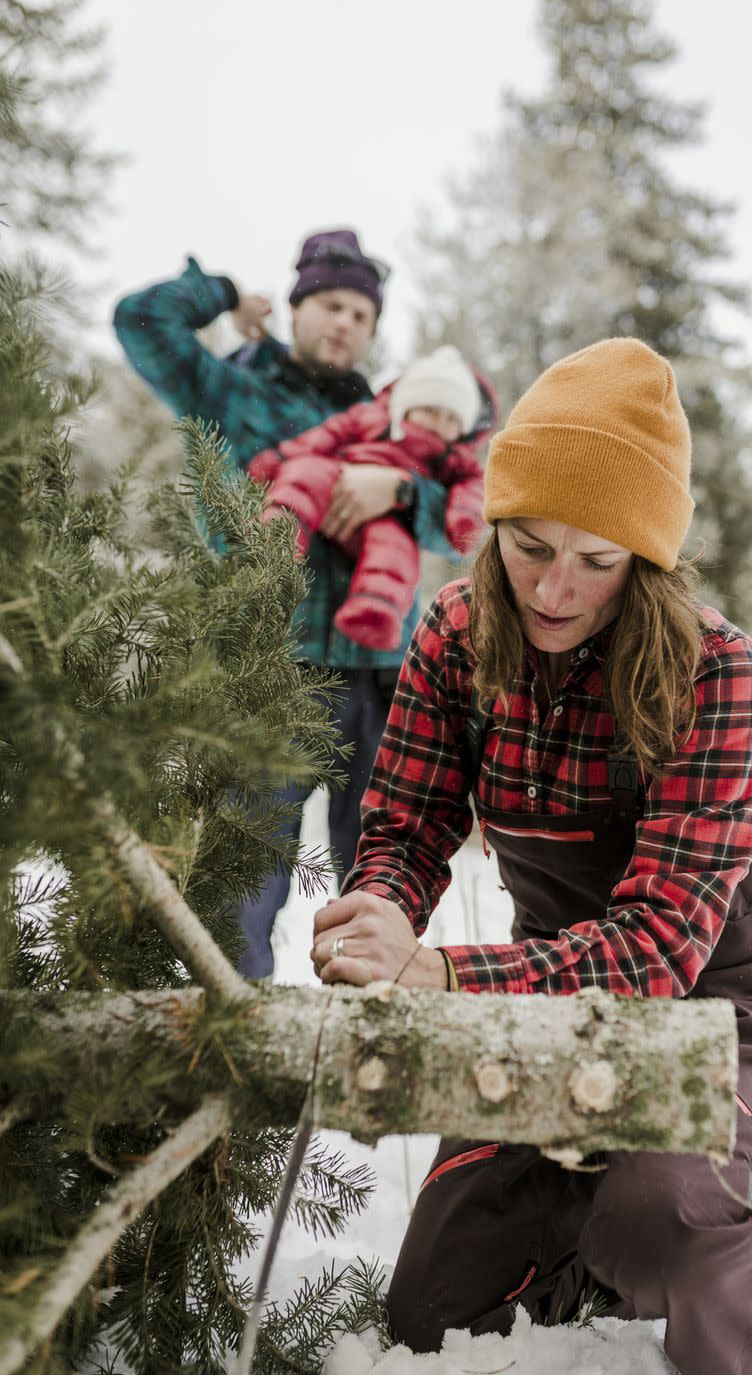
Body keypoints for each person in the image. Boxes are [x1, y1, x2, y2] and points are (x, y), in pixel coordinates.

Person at [310, 338, 752, 1375]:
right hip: (540, 1017)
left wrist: (438, 972)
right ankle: (589, 1240)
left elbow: (658, 945)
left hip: (713, 1016)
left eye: (598, 560)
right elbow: (409, 823)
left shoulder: (712, 667)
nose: (556, 587)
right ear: (495, 521)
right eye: (530, 544)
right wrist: (380, 906)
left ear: (646, 561)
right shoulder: (456, 635)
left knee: (656, 1217)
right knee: (431, 1313)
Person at [113, 229, 487, 977]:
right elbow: (140, 320)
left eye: (361, 313)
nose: (345, 322)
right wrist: (219, 294)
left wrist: (401, 488)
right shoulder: (231, 387)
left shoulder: (390, 414)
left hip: (380, 678)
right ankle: (235, 1033)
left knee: (385, 873)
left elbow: (470, 503)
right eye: (329, 304)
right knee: (240, 881)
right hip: (265, 671)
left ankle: (367, 1034)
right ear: (293, 306)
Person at [249, 345, 493, 652]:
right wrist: (280, 458)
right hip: (337, 477)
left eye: (451, 419)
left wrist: (460, 519)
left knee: (394, 550)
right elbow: (325, 436)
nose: (438, 423)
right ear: (405, 405)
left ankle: (376, 609)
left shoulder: (454, 459)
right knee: (304, 472)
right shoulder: (370, 418)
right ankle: (278, 537)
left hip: (388, 519)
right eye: (430, 410)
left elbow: (472, 494)